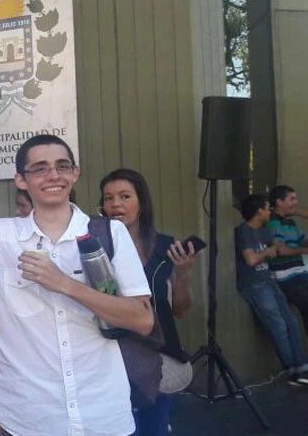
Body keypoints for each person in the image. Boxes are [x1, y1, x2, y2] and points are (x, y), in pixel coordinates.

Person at [0, 134, 154, 436]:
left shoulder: (111, 233)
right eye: (40, 168)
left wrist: (64, 283)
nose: (53, 175)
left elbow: (143, 321)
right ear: (21, 180)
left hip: (103, 417)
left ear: (75, 174)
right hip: (29, 421)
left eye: (62, 166)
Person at [100, 168, 196, 435]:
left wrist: (183, 275)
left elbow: (180, 311)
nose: (115, 204)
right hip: (113, 357)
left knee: (154, 427)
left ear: (141, 202)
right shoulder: (96, 248)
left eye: (124, 196)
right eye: (108, 198)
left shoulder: (165, 246)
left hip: (159, 354)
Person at [234, 194, 308, 385]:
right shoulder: (244, 231)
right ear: (259, 211)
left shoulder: (262, 231)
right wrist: (267, 252)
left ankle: (303, 368)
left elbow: (278, 247)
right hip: (254, 284)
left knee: (291, 323)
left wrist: (278, 247)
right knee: (279, 326)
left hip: (269, 280)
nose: (270, 212)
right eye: (268, 209)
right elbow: (251, 259)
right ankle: (292, 371)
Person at [265, 185, 308, 331]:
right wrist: (304, 250)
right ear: (279, 202)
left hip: (300, 275)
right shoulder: (272, 222)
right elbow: (280, 250)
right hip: (286, 278)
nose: (295, 202)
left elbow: (302, 242)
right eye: (292, 199)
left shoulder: (291, 222)